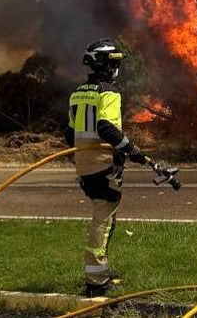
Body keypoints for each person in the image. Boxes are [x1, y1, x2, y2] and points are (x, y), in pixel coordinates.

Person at [65, 38, 173, 297]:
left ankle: (100, 271)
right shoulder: (109, 92)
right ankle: (96, 281)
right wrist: (132, 150)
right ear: (102, 64)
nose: (116, 67)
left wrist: (83, 156)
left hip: (85, 164)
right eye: (113, 62)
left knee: (107, 217)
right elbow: (106, 127)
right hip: (104, 166)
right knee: (103, 219)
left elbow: (70, 133)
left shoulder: (78, 93)